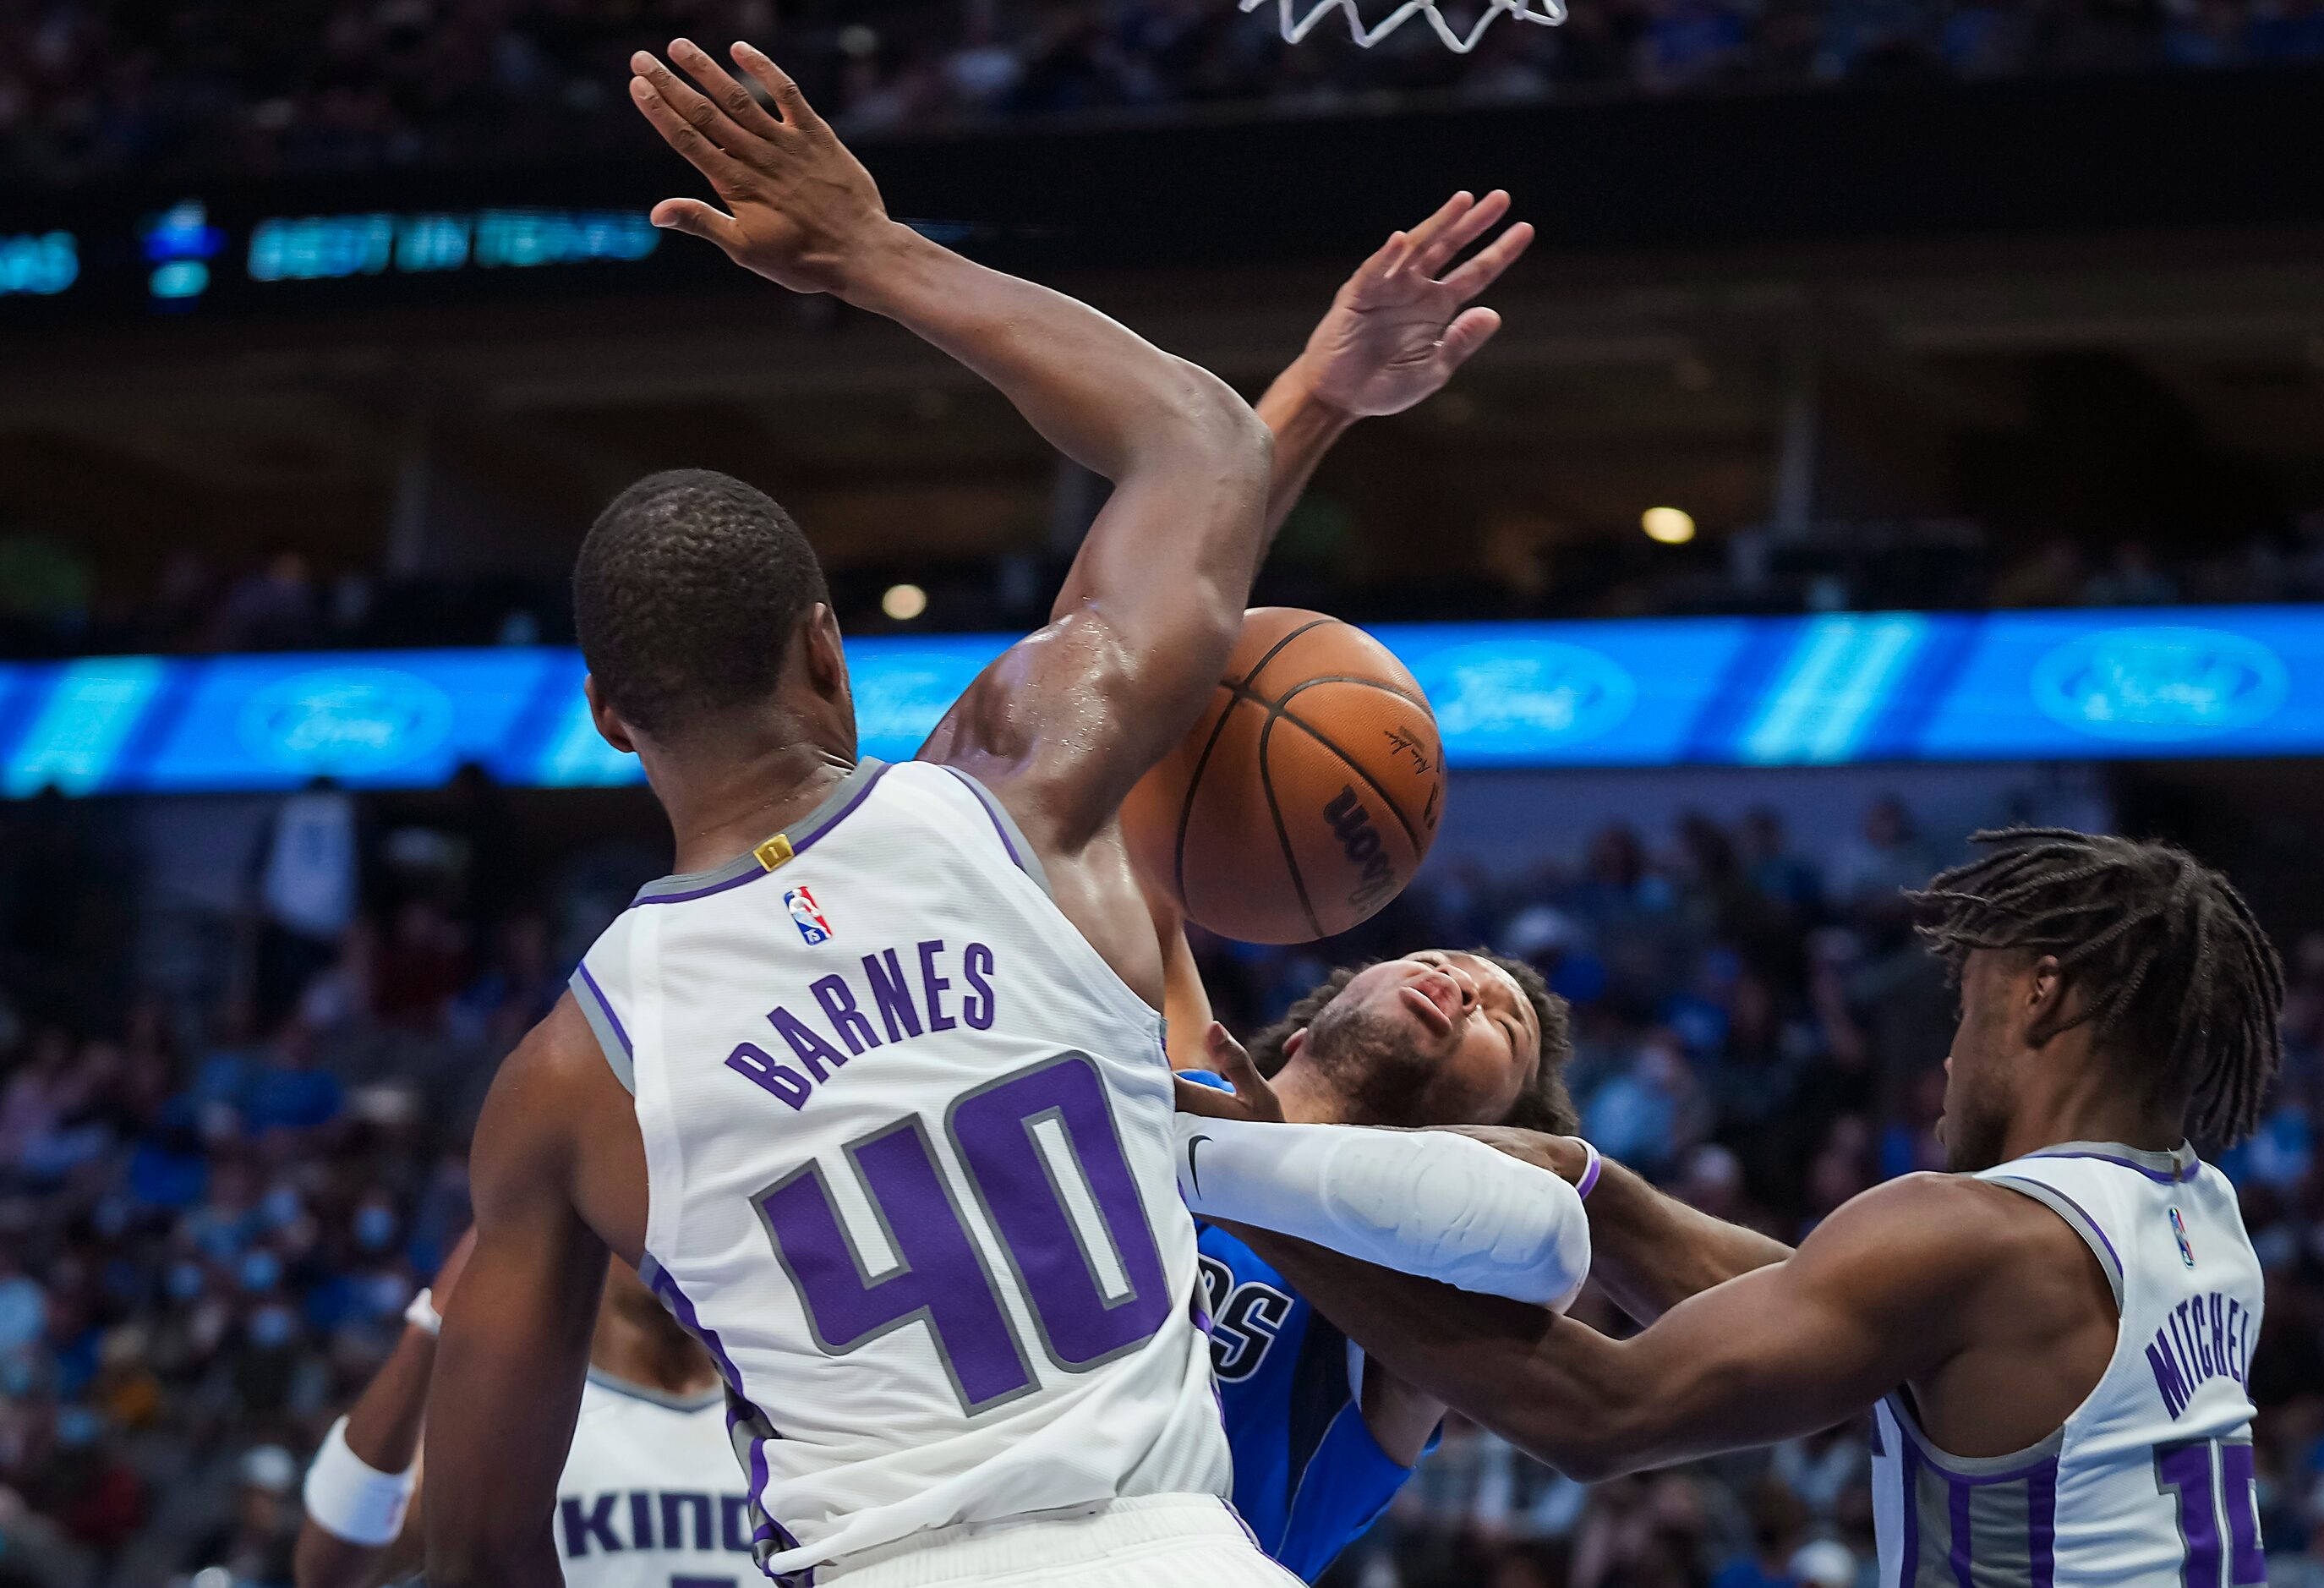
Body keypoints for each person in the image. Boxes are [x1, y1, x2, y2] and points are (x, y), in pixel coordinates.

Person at [421, 34, 1539, 1588]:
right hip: (1176, 1550)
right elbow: (1194, 457)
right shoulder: (1015, 801)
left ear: (612, 721)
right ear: (830, 644)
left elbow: (471, 1545)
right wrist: (867, 252)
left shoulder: (562, 1081)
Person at [1212, 828, 2288, 1587]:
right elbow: (1822, 1300)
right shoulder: (2202, 1221)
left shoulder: (1975, 1233)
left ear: (2041, 994)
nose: (1950, 1059)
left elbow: (1603, 1417)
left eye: (1963, 1012)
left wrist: (1232, 1176)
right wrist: (1593, 1180)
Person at [1165, 942, 1580, 1580]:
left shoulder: (1411, 1297)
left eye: (1504, 1026)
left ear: (1504, 1129)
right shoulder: (1150, 1090)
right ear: (1305, 1034)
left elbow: (1551, 1253)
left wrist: (1247, 1170)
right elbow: (1140, 897)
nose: (1458, 985)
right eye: (1437, 959)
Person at [298, 1233, 761, 1588]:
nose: (666, 1225)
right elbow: (334, 1571)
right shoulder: (517, 1416)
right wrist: (434, 1321)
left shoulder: (793, 1411)